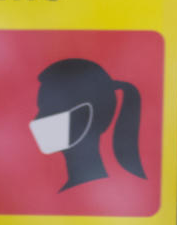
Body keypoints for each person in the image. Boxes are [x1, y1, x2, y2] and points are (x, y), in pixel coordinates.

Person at [31, 58, 145, 191]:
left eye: (48, 109)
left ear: (85, 115)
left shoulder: (100, 191)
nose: (36, 119)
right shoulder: (79, 190)